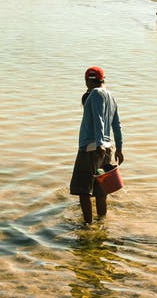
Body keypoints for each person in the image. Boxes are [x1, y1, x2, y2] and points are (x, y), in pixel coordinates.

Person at [70, 66, 124, 225]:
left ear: (88, 80)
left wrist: (99, 143)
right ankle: (101, 223)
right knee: (101, 192)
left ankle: (87, 226)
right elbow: (117, 125)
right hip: (107, 149)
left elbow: (99, 119)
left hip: (91, 148)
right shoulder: (111, 97)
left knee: (83, 190)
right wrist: (119, 148)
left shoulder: (94, 94)